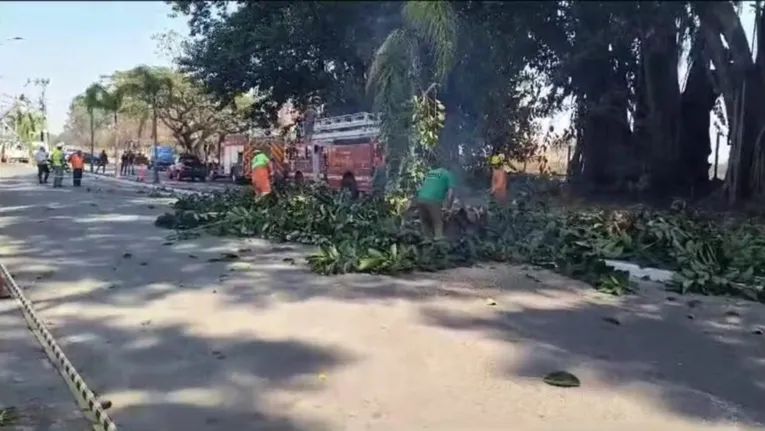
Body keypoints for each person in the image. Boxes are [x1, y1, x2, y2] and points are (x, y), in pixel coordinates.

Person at [415, 163, 456, 240]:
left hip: (420, 198)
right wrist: (448, 208)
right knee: (438, 223)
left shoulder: (431, 172)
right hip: (433, 200)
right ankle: (438, 242)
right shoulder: (448, 174)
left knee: (425, 223)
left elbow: (427, 186)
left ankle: (426, 242)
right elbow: (451, 193)